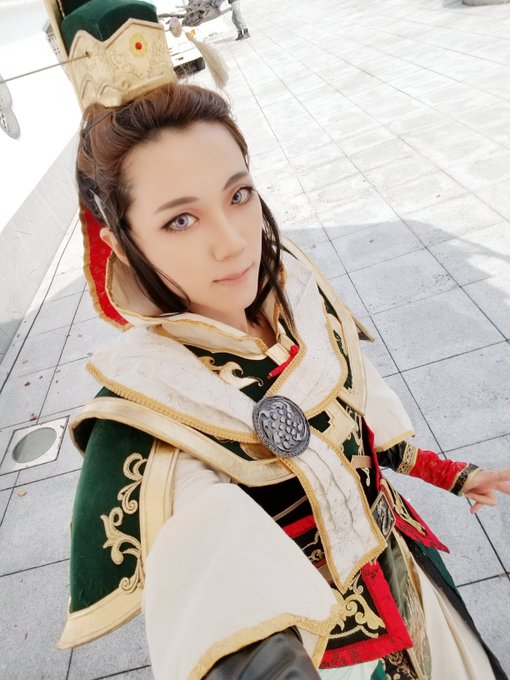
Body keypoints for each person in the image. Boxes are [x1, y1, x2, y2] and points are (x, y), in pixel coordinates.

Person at [58, 81, 510, 680]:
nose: (232, 242)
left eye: (238, 194)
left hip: (408, 576)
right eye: (181, 220)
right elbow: (212, 574)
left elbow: (353, 422)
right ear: (121, 244)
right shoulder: (150, 404)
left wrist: (450, 474)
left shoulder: (295, 297)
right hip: (332, 653)